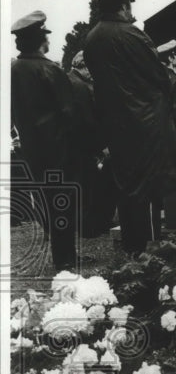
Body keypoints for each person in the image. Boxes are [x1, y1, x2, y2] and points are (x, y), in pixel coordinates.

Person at [84, 0, 176, 256]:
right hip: (144, 121)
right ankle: (141, 247)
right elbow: (157, 75)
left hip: (113, 123)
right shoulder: (132, 34)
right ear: (123, 5)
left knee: (127, 186)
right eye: (130, 5)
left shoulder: (92, 38)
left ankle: (133, 245)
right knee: (144, 186)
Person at [10, 10, 78, 270]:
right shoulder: (50, 70)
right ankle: (65, 260)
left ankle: (63, 256)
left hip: (32, 151)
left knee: (47, 204)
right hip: (59, 150)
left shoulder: (13, 70)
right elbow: (69, 113)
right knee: (63, 205)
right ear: (42, 40)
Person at [66, 51, 115, 238]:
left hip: (73, 145)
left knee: (83, 186)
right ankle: (90, 228)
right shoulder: (80, 86)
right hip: (84, 146)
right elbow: (87, 121)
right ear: (84, 66)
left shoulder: (69, 80)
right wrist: (101, 147)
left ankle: (86, 225)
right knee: (90, 186)